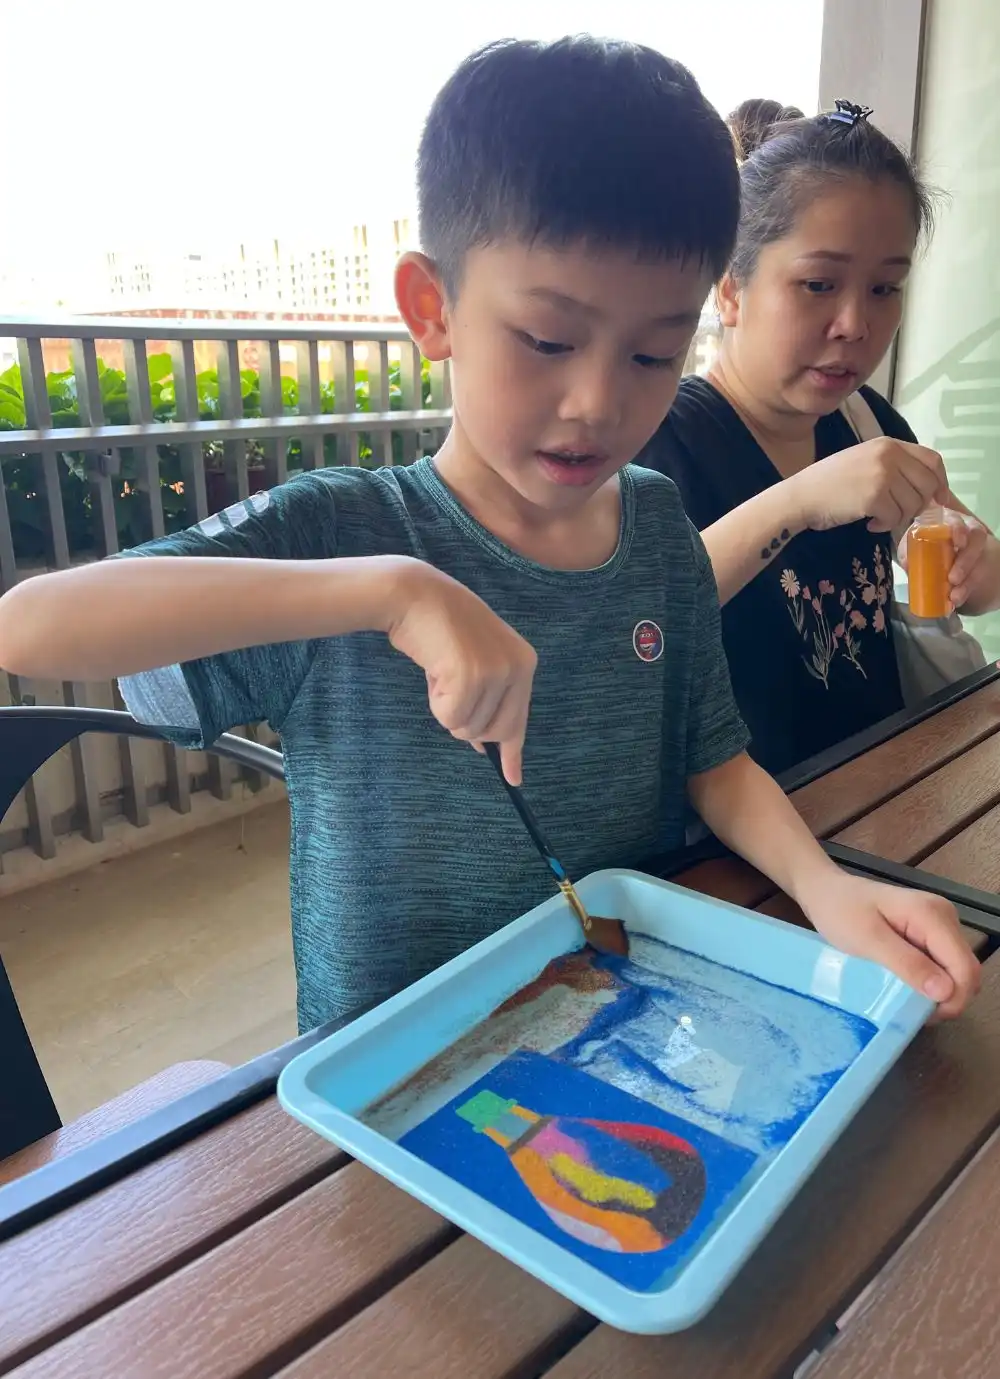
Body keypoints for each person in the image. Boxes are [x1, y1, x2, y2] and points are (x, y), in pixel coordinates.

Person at [0, 47, 978, 1031]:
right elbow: (30, 625)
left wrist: (826, 889)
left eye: (653, 353)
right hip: (397, 1067)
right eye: (548, 340)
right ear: (433, 310)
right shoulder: (344, 531)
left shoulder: (654, 527)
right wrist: (392, 592)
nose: (597, 401)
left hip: (623, 1026)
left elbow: (714, 763)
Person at [640, 100, 1000, 779]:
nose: (855, 323)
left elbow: (984, 582)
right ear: (730, 290)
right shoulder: (661, 442)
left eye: (885, 288)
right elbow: (626, 624)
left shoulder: (867, 423)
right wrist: (801, 501)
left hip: (887, 790)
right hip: (742, 824)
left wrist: (972, 565)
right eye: (818, 283)